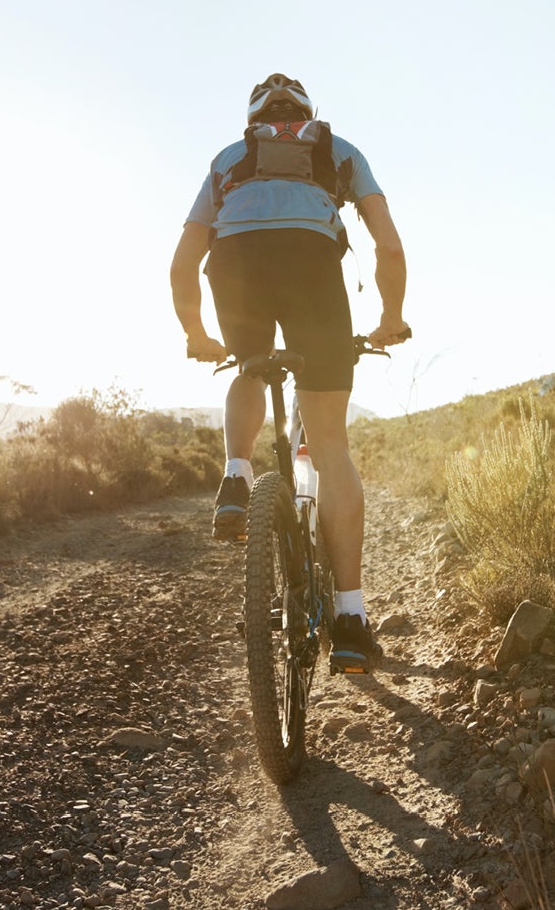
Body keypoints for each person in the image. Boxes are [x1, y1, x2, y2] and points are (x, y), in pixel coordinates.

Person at [168, 73, 409, 674]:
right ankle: (350, 620)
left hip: (235, 264)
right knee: (329, 445)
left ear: (253, 118)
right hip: (312, 268)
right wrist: (391, 319)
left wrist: (197, 335)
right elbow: (389, 246)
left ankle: (236, 476)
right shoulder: (336, 149)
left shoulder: (230, 159)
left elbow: (183, 261)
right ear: (307, 112)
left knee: (249, 366)